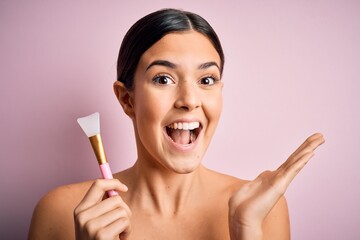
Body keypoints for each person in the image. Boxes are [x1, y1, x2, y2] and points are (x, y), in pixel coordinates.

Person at [28, 8, 325, 240]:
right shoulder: (61, 212)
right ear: (127, 99)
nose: (189, 99)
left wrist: (246, 230)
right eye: (163, 79)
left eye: (206, 80)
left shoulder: (263, 210)